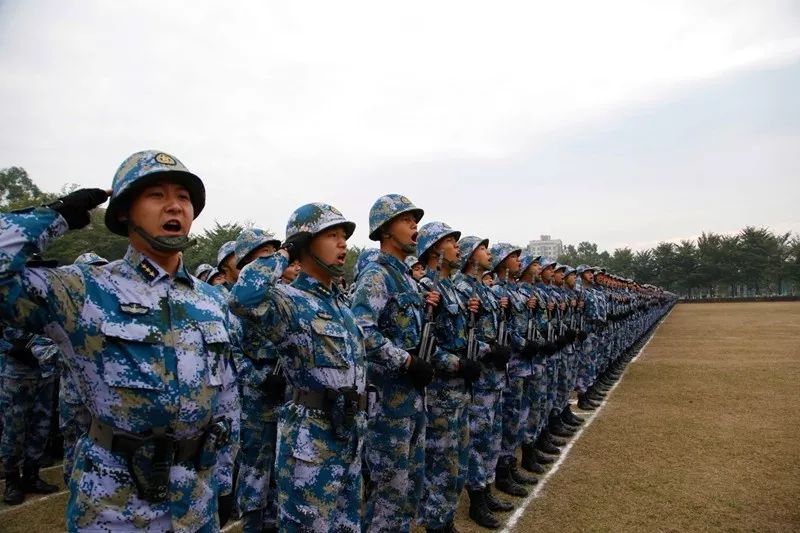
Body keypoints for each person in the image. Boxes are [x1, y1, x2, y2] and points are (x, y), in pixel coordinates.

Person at [0, 150, 240, 532]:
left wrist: (224, 482)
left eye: (183, 196)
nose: (174, 205)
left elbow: (225, 398)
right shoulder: (84, 289)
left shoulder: (210, 301)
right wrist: (57, 215)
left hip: (196, 501)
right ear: (125, 210)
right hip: (114, 505)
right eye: (156, 195)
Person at [229, 202, 367, 532]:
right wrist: (284, 254)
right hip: (311, 444)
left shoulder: (339, 304)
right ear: (304, 245)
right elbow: (241, 298)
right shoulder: (289, 300)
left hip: (349, 433)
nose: (343, 243)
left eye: (344, 235)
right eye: (331, 235)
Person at [350, 194, 438, 533]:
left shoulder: (407, 279)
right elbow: (362, 332)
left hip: (413, 399)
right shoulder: (377, 276)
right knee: (388, 493)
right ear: (385, 229)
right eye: (406, 220)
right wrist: (406, 361)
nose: (415, 225)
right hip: (388, 405)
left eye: (415, 220)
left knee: (409, 488)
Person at [415, 221, 481, 533]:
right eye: (451, 242)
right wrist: (457, 364)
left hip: (459, 393)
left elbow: (459, 336)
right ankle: (436, 524)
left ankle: (446, 519)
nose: (458, 248)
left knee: (458, 462)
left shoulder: (452, 289)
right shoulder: (426, 289)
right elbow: (424, 346)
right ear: (435, 249)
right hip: (440, 393)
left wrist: (476, 354)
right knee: (441, 464)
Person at [454, 236, 514, 528]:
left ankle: (486, 488)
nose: (488, 253)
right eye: (482, 249)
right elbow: (458, 339)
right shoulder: (462, 290)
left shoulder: (483, 290)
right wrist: (489, 350)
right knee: (477, 439)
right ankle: (477, 498)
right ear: (469, 255)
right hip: (478, 379)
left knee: (491, 436)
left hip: (494, 378)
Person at [232, 228, 285, 533]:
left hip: (284, 396)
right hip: (255, 399)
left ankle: (274, 523)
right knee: (255, 470)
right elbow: (232, 355)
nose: (270, 258)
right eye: (262, 253)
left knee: (280, 469)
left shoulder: (281, 301)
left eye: (272, 252)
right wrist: (260, 379)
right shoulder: (238, 305)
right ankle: (253, 525)